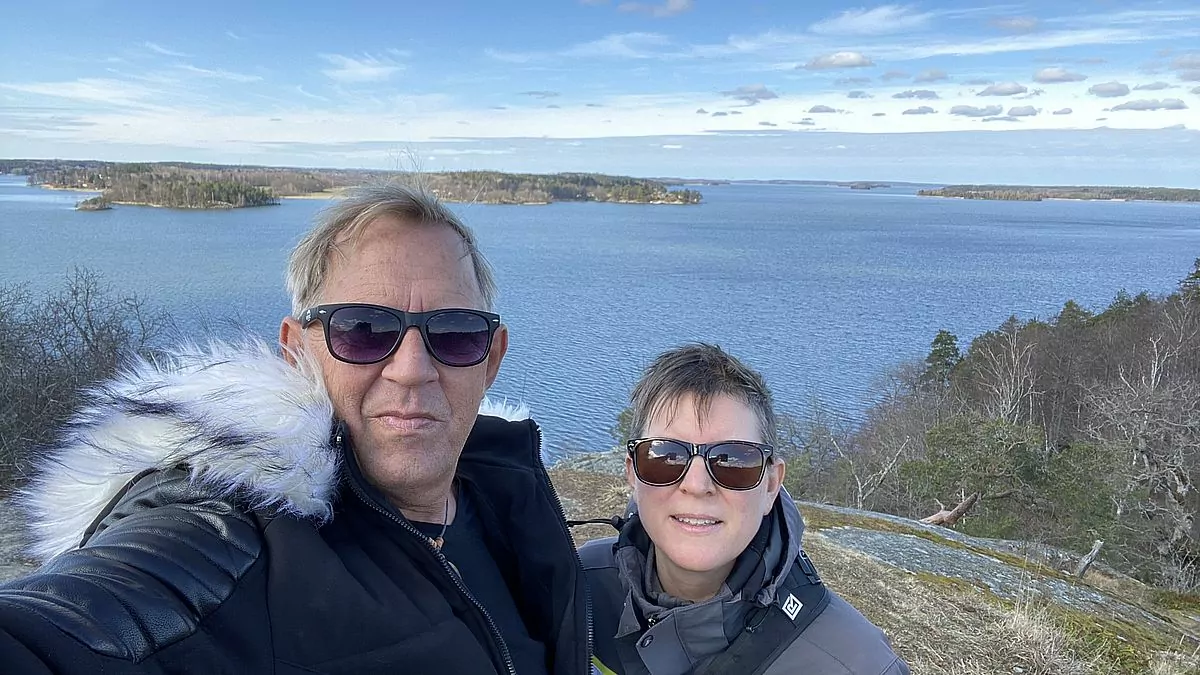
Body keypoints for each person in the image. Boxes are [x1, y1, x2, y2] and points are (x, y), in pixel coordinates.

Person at [0, 184, 590, 675]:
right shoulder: (232, 538)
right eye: (362, 329)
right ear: (297, 351)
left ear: (490, 358)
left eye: (455, 332)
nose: (411, 369)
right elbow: (72, 625)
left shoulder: (508, 489)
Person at [579, 344, 909, 675]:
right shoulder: (578, 586)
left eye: (733, 460)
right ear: (632, 474)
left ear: (770, 485)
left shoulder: (858, 665)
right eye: (667, 456)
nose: (696, 484)